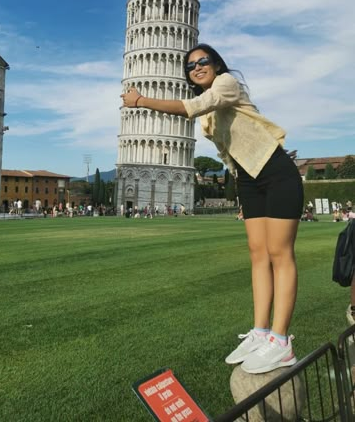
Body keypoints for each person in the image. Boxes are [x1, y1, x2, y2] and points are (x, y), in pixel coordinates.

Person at [121, 44, 303, 374]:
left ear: (216, 64)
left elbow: (194, 107)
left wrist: (142, 101)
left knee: (280, 253)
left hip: (275, 171)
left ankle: (281, 341)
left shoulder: (226, 85)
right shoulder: (208, 115)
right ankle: (261, 332)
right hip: (247, 178)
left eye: (204, 61)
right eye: (191, 66)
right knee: (258, 254)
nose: (198, 67)